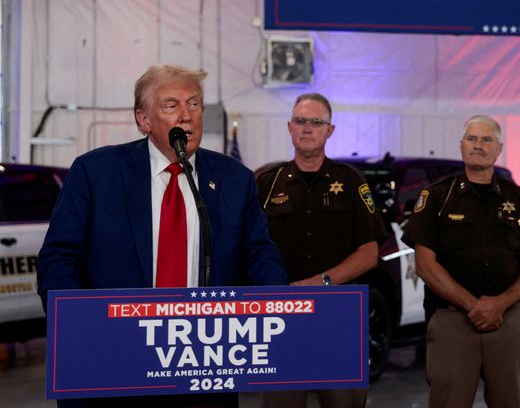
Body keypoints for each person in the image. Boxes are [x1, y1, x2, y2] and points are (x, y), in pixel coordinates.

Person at [37, 64, 288, 407]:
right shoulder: (96, 173)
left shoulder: (234, 179)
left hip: (201, 366)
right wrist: (79, 328)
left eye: (195, 104)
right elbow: (59, 258)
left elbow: (259, 254)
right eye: (171, 106)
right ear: (144, 120)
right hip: (111, 365)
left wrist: (280, 312)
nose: (187, 116)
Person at [401, 115, 520, 408]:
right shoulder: (436, 197)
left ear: (499, 149)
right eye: (472, 139)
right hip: (452, 322)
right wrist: (475, 306)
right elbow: (425, 265)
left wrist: (499, 304)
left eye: (487, 140)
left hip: (507, 320)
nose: (478, 146)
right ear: (461, 146)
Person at [257, 93, 387, 408]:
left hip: (338, 315)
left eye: (316, 122)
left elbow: (369, 252)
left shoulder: (351, 181)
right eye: (301, 121)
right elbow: (251, 248)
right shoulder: (265, 183)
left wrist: (321, 282)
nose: (307, 128)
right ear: (289, 127)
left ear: (330, 130)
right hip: (281, 318)